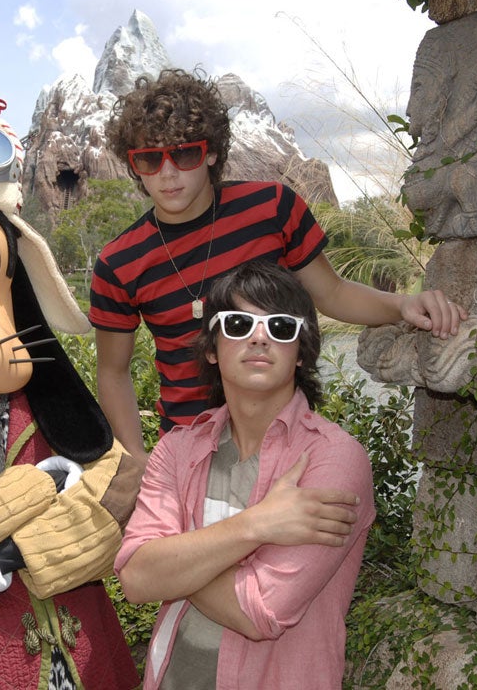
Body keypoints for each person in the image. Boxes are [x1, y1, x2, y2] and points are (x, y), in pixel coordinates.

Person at [89, 67, 468, 459]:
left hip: (284, 439)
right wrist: (135, 460)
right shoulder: (120, 263)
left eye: (185, 153)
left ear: (212, 151)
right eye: (150, 160)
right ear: (133, 165)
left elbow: (333, 293)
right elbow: (113, 372)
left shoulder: (271, 209)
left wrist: (402, 307)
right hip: (189, 453)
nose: (168, 173)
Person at [115, 259, 375, 689]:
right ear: (212, 349)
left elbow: (261, 612)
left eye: (280, 327)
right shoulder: (178, 450)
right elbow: (136, 579)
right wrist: (259, 523)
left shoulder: (333, 459)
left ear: (301, 352)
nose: (259, 337)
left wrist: (174, 561)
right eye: (237, 323)